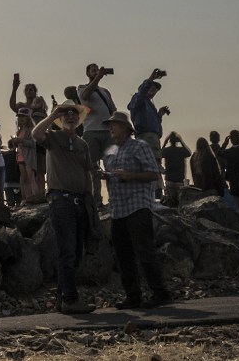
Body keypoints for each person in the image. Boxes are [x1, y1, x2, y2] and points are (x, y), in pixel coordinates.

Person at [101, 111, 169, 309]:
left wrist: (129, 175)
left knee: (144, 250)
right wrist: (106, 176)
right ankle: (133, 296)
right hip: (117, 208)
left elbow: (153, 174)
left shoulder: (140, 146)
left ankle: (160, 293)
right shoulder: (111, 150)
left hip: (138, 205)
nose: (111, 128)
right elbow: (116, 174)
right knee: (123, 254)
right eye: (109, 125)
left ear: (126, 128)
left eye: (114, 124)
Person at [33, 99, 95, 314]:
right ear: (60, 119)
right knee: (67, 251)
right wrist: (52, 115)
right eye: (66, 114)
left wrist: (90, 199)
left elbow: (87, 173)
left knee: (75, 252)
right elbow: (36, 135)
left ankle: (63, 298)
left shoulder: (82, 144)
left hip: (79, 201)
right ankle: (69, 299)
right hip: (61, 201)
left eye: (74, 114)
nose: (70, 117)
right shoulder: (53, 138)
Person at [78, 64, 117, 204]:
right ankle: (96, 200)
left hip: (108, 132)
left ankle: (114, 199)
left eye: (97, 69)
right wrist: (98, 78)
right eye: (93, 70)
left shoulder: (105, 91)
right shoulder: (82, 87)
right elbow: (85, 96)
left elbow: (113, 109)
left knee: (111, 166)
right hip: (91, 131)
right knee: (92, 167)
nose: (96, 71)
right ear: (87, 73)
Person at [127, 68, 169, 150]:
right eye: (152, 88)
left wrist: (159, 115)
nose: (154, 91)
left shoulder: (150, 105)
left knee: (155, 161)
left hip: (154, 137)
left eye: (156, 90)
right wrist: (151, 79)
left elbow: (151, 123)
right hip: (145, 136)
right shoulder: (138, 99)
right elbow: (141, 94)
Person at [159, 133, 190, 207]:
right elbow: (189, 153)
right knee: (179, 204)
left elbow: (159, 153)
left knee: (169, 204)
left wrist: (165, 142)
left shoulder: (167, 151)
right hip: (179, 179)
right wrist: (181, 141)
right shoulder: (181, 150)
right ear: (177, 141)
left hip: (169, 179)